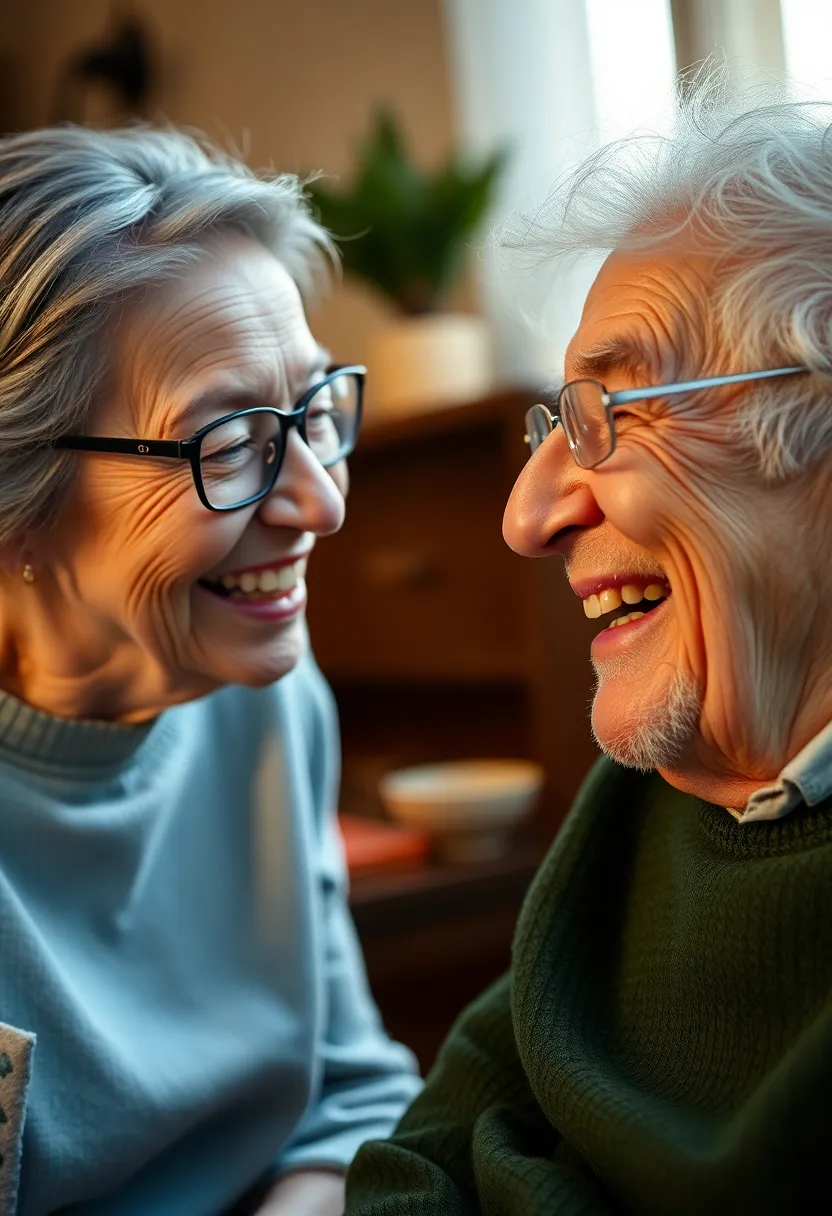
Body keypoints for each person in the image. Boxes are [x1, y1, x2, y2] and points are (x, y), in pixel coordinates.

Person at [344, 75, 832, 1215]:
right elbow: (417, 1161)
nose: (525, 514)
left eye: (611, 414)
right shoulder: (645, 797)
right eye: (551, 423)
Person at [0, 125, 420, 1216]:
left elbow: (348, 1084)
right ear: (16, 509)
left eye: (317, 411)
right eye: (230, 441)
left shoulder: (264, 693)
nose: (321, 503)